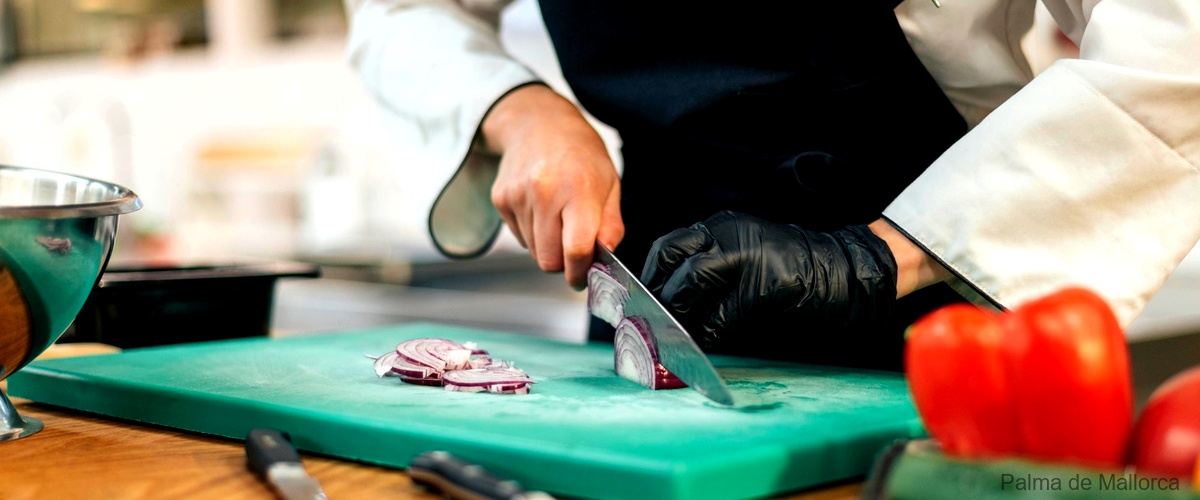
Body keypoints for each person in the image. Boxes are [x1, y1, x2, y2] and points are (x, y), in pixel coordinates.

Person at [343, 0, 1200, 369]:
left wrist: (874, 261)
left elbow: (1178, 46)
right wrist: (521, 108)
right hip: (653, 307)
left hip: (960, 289)